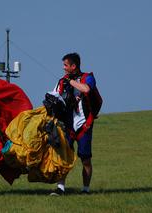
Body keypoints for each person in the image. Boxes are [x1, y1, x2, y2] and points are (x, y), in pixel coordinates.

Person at [50, 53, 96, 195]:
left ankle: (85, 189)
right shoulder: (62, 81)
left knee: (85, 159)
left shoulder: (88, 77)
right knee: (64, 156)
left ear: (73, 66)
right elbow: (55, 95)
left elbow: (86, 89)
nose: (63, 68)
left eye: (65, 65)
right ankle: (60, 188)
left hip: (84, 125)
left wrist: (71, 82)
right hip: (68, 125)